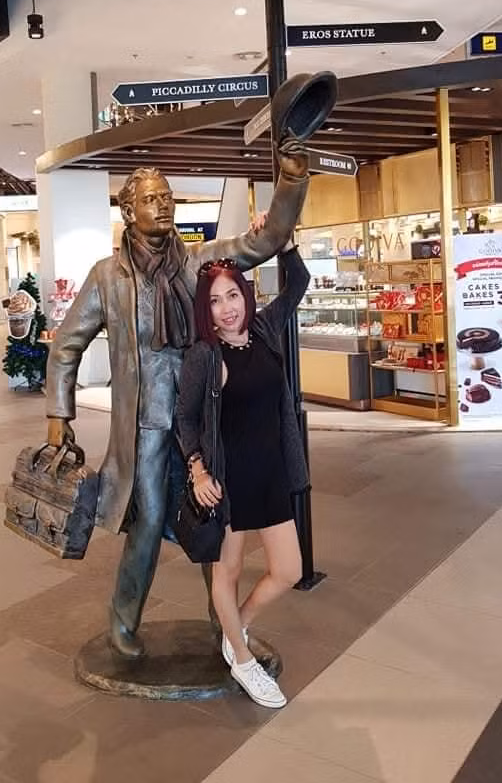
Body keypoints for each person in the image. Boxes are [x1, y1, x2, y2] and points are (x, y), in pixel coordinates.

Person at [45, 152, 309, 658]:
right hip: (144, 425)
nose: (163, 205)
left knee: (215, 519)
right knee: (147, 521)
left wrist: (292, 180)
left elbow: (265, 241)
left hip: (203, 419)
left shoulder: (197, 263)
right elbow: (66, 345)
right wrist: (59, 415)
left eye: (167, 197)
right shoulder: (107, 277)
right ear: (129, 212)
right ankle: (124, 620)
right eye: (150, 199)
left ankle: (225, 626)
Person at [175, 241, 310, 708]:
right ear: (206, 309)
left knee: (289, 570)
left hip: (271, 472)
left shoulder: (266, 330)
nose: (227, 308)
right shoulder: (203, 356)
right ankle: (244, 660)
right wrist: (197, 471)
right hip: (228, 483)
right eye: (215, 300)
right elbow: (184, 418)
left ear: (246, 296)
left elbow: (298, 284)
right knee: (227, 572)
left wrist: (285, 245)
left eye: (232, 295)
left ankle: (238, 628)